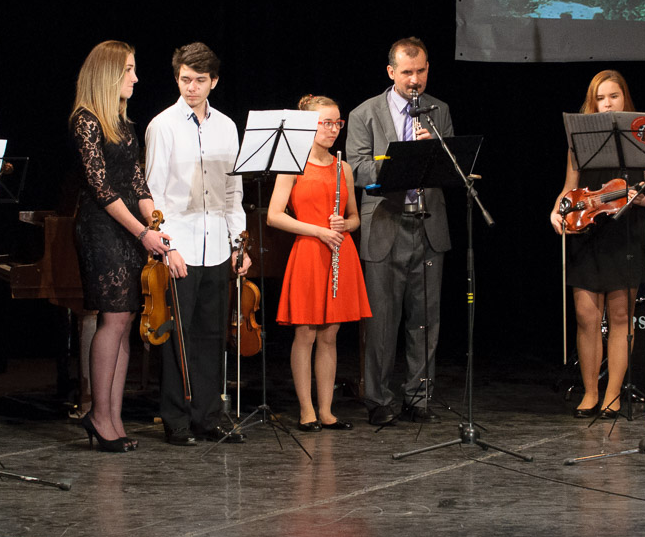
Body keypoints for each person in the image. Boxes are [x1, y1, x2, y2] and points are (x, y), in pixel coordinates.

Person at [145, 42, 250, 446]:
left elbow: (232, 193)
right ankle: (176, 419)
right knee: (179, 334)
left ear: (214, 82)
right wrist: (167, 248)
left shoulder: (226, 126)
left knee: (211, 335)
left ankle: (209, 416)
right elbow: (154, 194)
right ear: (177, 79)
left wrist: (239, 244)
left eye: (199, 81)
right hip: (181, 247)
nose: (191, 88)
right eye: (185, 80)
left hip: (218, 248)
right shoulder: (163, 125)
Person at [345, 37, 454, 426]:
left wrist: (437, 151)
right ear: (391, 72)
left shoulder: (438, 111)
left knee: (425, 320)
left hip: (428, 225)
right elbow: (356, 169)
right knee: (381, 321)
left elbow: (451, 167)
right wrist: (402, 162)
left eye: (421, 71)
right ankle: (378, 400)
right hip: (386, 224)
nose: (415, 79)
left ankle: (418, 398)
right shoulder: (365, 114)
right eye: (407, 72)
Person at [70, 41, 169, 453]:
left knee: (126, 318)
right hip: (101, 227)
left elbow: (137, 183)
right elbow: (102, 188)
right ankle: (99, 413)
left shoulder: (122, 123)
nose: (135, 77)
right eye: (129, 69)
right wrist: (141, 232)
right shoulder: (86, 120)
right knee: (112, 318)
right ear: (109, 73)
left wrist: (155, 224)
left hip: (129, 228)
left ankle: (112, 415)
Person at [548, 71, 645, 418]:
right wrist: (556, 211)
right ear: (592, 101)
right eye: (601, 98)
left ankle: (613, 394)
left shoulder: (643, 134)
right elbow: (569, 188)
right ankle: (590, 391)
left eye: (613, 96)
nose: (607, 103)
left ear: (624, 99)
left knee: (619, 316)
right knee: (586, 316)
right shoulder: (580, 140)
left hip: (624, 231)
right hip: (586, 229)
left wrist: (643, 198)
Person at [269, 95, 371, 432]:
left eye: (336, 122)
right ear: (308, 125)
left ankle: (327, 411)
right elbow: (273, 216)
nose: (333, 129)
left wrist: (345, 225)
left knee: (330, 335)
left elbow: (355, 218)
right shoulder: (291, 163)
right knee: (306, 334)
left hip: (340, 253)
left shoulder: (344, 167)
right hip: (310, 253)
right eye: (325, 122)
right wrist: (317, 230)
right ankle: (306, 410)